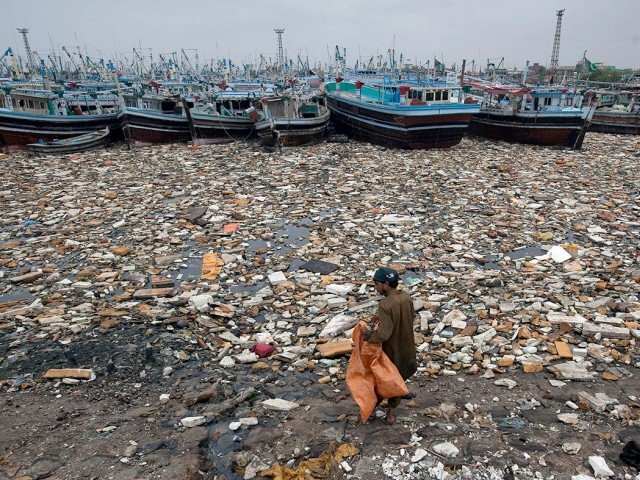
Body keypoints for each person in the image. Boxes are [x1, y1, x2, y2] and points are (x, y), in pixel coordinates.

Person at [360, 267, 417, 424]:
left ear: (385, 284)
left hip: (392, 351)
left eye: (377, 284)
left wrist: (366, 334)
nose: (376, 288)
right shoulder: (406, 297)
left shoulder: (385, 304)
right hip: (407, 347)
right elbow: (408, 318)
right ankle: (391, 413)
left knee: (382, 380)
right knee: (398, 380)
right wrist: (383, 319)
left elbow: (383, 335)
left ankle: (372, 411)